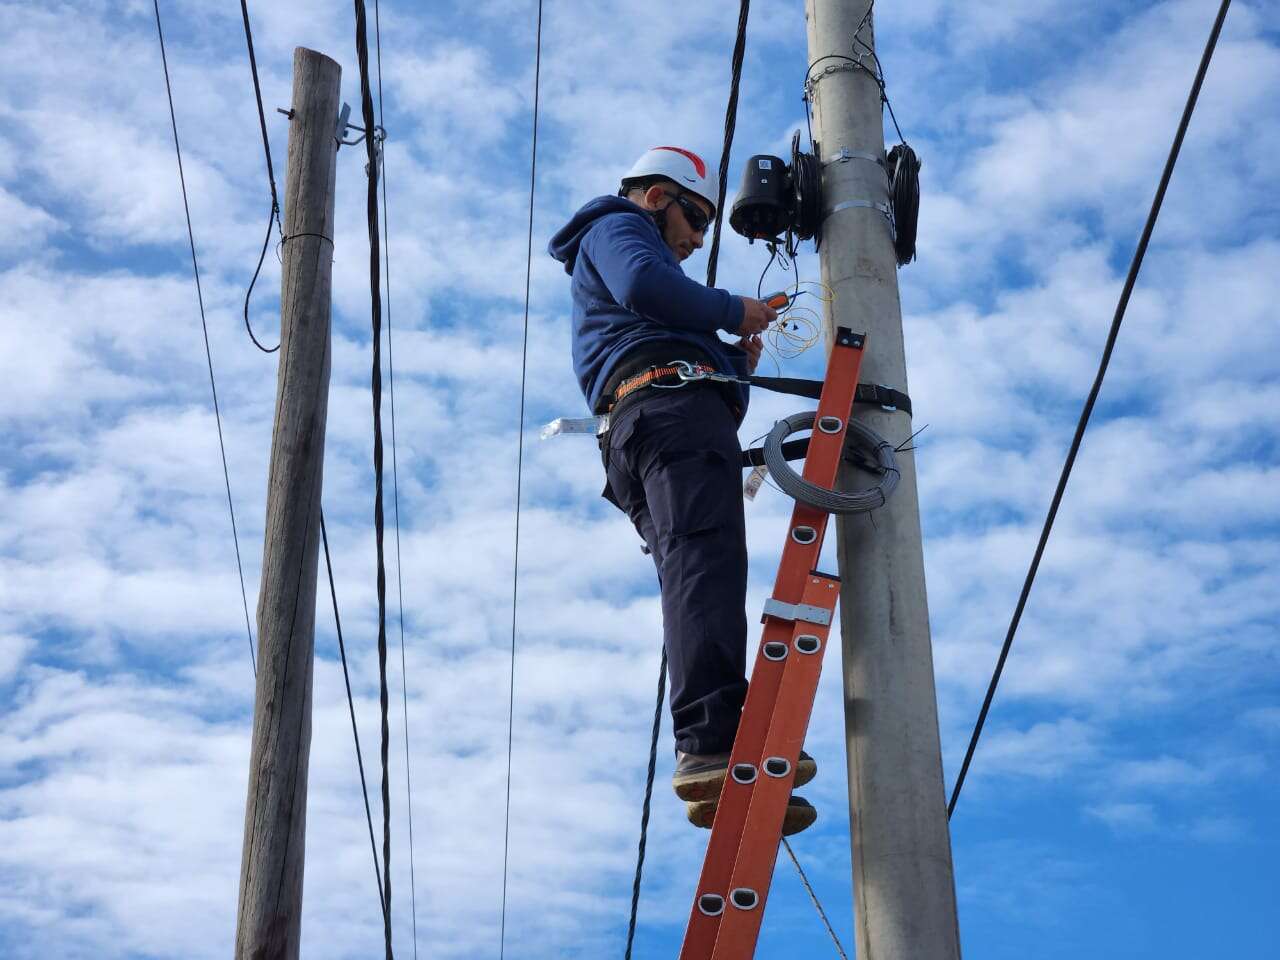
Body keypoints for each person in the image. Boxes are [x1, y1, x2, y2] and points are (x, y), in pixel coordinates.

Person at [548, 146, 816, 834]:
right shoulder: (616, 225)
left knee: (706, 569)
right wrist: (733, 310)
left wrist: (731, 363)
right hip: (664, 414)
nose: (697, 240)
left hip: (662, 421)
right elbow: (645, 286)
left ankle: (724, 747)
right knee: (704, 566)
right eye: (694, 218)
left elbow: (686, 357)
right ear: (655, 196)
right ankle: (710, 742)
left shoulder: (654, 304)